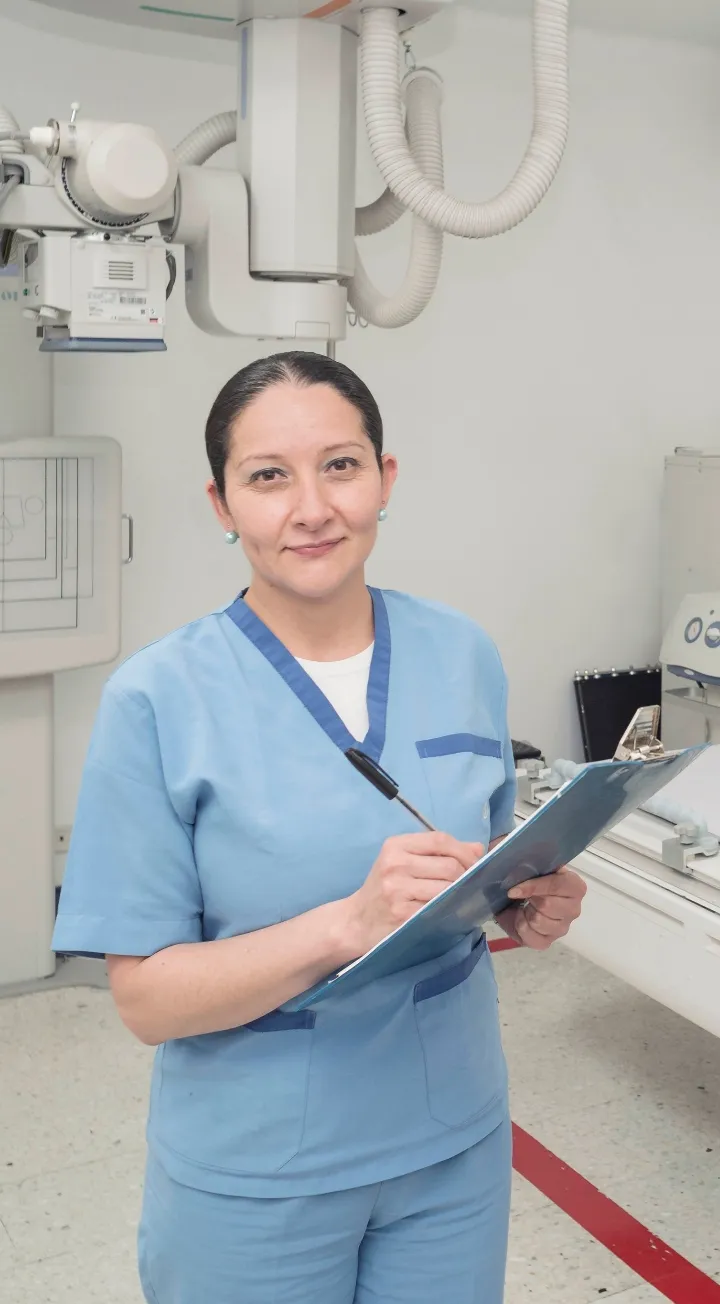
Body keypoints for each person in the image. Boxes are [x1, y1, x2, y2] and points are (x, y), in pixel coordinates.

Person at [53, 352, 586, 1304]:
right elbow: (147, 1003)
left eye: (340, 465)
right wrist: (346, 924)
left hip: (451, 1144)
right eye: (268, 477)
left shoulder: (461, 652)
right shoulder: (158, 699)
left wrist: (522, 903)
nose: (311, 508)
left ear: (385, 479)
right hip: (259, 1174)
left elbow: (482, 870)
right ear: (220, 505)